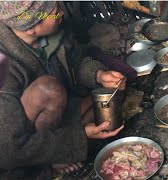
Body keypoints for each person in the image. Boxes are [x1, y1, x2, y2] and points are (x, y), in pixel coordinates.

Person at [0, 1, 126, 178]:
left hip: (56, 114)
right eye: (53, 10)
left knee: (105, 101)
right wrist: (77, 138)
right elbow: (7, 150)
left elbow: (76, 62)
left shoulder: (54, 31)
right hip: (17, 139)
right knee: (49, 89)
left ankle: (59, 148)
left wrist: (98, 75)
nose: (61, 12)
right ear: (30, 27)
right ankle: (45, 163)